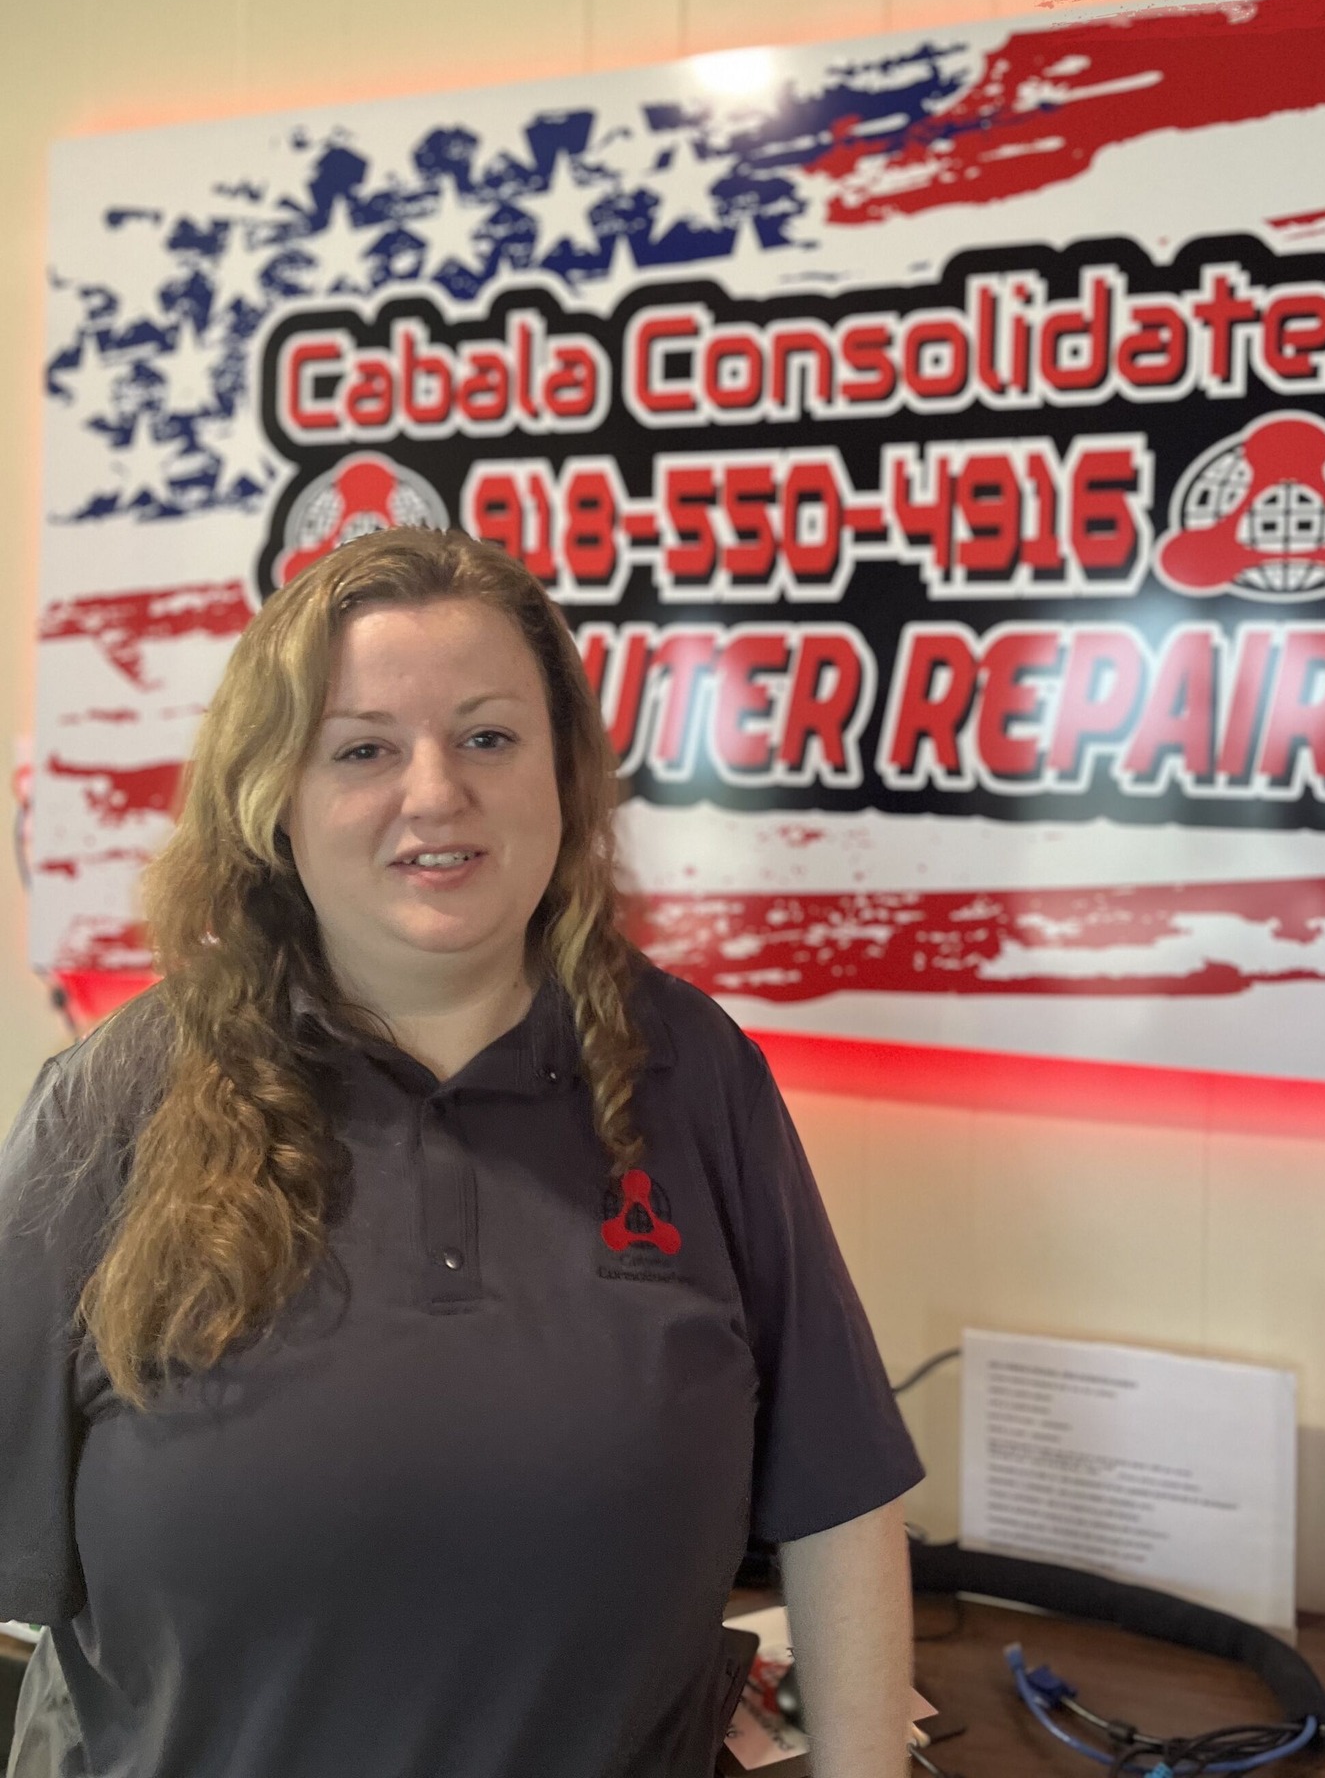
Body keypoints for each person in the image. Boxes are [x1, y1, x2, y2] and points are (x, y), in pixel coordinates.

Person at [0, 527, 925, 1778]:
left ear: (564, 773)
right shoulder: (115, 1101)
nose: (435, 792)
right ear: (272, 797)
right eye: (364, 748)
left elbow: (842, 1497)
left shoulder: (692, 1071)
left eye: (488, 735)